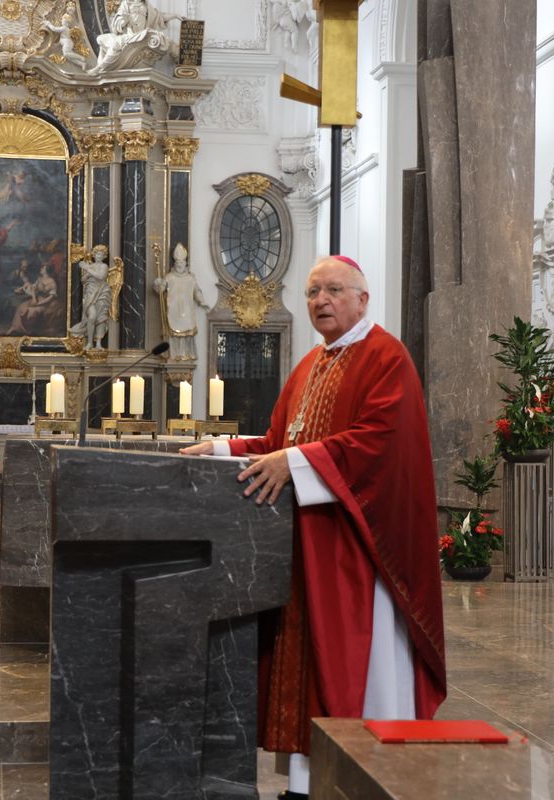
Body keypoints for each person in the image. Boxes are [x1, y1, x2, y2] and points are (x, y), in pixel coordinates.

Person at [181, 255, 446, 799]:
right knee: (308, 664)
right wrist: (224, 447)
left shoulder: (385, 359)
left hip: (359, 551)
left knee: (355, 664)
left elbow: (378, 444)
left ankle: (366, 773)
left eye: (332, 291)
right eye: (312, 292)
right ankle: (307, 783)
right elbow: (282, 440)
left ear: (362, 299)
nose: (320, 301)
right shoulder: (309, 366)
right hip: (306, 548)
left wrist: (294, 465)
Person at [153, 243, 208, 360]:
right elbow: (161, 290)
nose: (179, 265)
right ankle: (174, 353)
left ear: (185, 263)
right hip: (173, 309)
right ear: (174, 263)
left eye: (181, 262)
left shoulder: (190, 278)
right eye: (177, 263)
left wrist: (202, 301)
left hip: (187, 310)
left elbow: (197, 291)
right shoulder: (169, 277)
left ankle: (184, 353)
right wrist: (158, 284)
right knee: (174, 332)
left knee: (186, 333)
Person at [68, 246, 111, 350]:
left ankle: (98, 343)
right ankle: (90, 342)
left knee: (100, 318)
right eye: (97, 254)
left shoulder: (104, 266)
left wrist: (87, 268)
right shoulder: (91, 266)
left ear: (104, 256)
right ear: (94, 255)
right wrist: (87, 273)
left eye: (101, 254)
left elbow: (101, 277)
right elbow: (83, 280)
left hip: (101, 293)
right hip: (90, 293)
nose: (99, 256)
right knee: (92, 317)